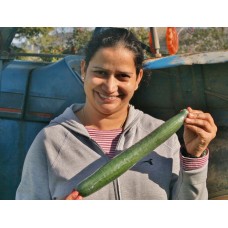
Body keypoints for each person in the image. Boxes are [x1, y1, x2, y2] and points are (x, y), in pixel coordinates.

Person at [16, 28, 217, 200]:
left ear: (138, 78)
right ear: (84, 70)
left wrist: (193, 157)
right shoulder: (51, 141)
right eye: (100, 73)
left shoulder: (161, 136)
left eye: (122, 76)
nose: (110, 87)